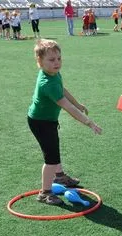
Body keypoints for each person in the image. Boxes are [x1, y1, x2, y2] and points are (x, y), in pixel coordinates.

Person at [27, 39, 102, 205]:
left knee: (54, 150)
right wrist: (89, 123)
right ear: (40, 62)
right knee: (51, 159)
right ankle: (45, 193)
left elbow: (63, 90)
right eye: (52, 60)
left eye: (59, 58)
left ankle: (59, 177)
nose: (57, 63)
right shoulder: (47, 83)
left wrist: (78, 103)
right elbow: (67, 108)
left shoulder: (53, 73)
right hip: (41, 123)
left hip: (48, 120)